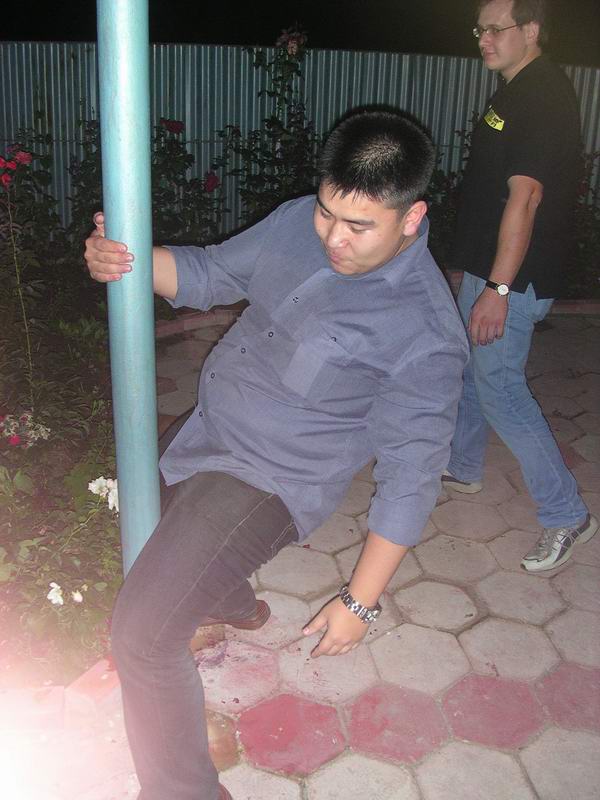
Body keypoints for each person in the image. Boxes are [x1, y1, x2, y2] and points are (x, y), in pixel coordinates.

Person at [84, 109, 468, 800]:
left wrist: (360, 601)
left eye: (359, 227)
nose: (334, 239)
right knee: (139, 517)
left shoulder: (425, 331)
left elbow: (410, 480)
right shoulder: (298, 222)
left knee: (143, 636)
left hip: (268, 481)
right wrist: (127, 258)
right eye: (327, 214)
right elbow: (207, 273)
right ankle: (232, 600)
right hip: (206, 433)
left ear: (412, 218)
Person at [443, 0, 597, 572]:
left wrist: (498, 289)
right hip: (490, 268)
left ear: (530, 30)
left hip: (512, 277)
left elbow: (526, 197)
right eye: (479, 29)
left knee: (501, 389)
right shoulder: (514, 88)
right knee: (472, 369)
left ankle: (568, 515)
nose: (483, 38)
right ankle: (464, 466)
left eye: (495, 29)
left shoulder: (541, 96)